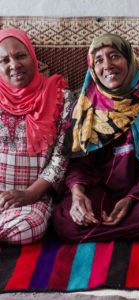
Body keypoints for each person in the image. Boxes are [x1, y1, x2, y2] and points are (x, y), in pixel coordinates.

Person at [53, 33, 139, 243]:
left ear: (130, 60)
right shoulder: (84, 109)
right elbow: (78, 163)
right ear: (93, 69)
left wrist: (130, 199)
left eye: (114, 56)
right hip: (96, 192)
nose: (107, 65)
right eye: (99, 60)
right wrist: (77, 193)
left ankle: (93, 231)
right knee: (63, 221)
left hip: (138, 196)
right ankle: (112, 229)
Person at [0, 28, 74, 244]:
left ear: (33, 57)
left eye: (20, 56)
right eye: (4, 60)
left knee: (29, 227)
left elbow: (62, 157)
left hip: (31, 198)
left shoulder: (62, 97)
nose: (14, 65)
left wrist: (31, 194)